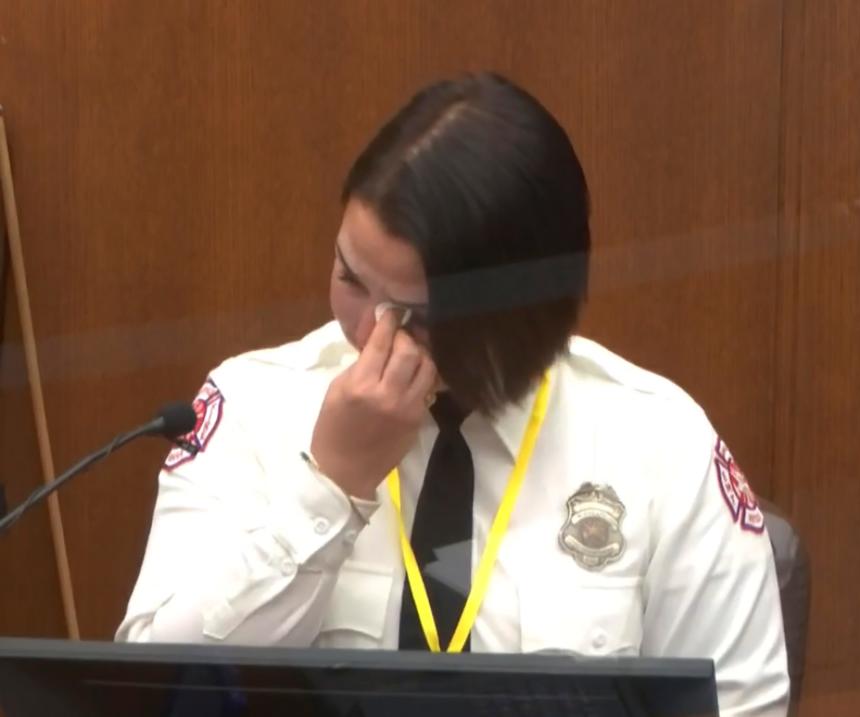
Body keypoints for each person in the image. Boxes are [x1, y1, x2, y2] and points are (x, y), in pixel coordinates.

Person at [117, 72, 790, 716]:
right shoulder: (253, 406)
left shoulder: (659, 444)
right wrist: (329, 486)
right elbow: (154, 688)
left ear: (524, 311)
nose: (366, 332)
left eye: (414, 315)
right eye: (351, 278)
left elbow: (739, 704)